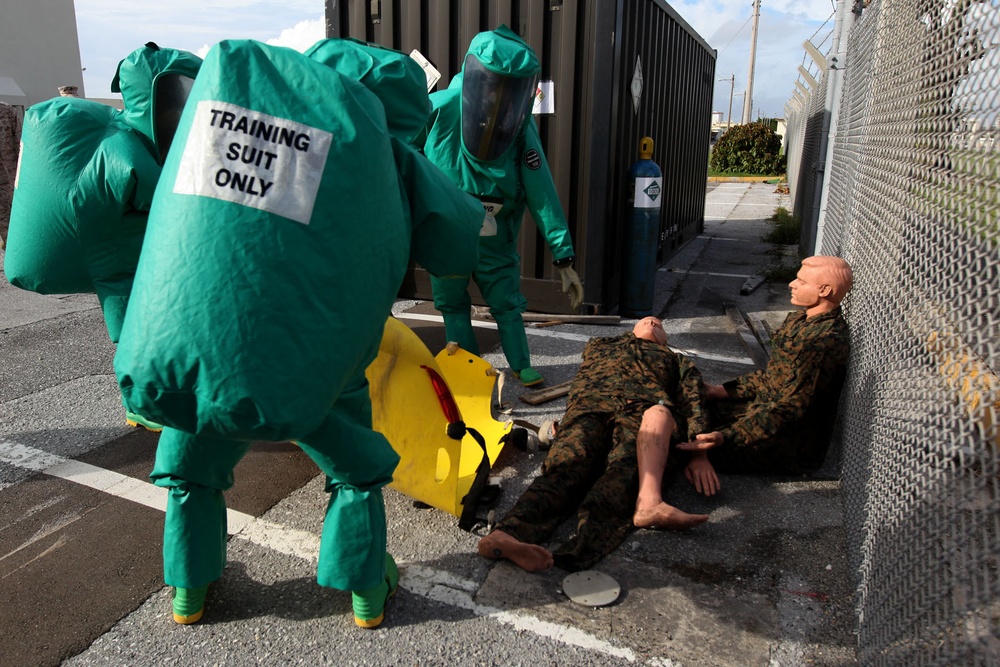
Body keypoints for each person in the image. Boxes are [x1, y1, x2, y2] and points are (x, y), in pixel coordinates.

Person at [113, 39, 483, 628]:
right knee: (355, 465)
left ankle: (190, 585)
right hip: (318, 360)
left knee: (192, 445)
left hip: (204, 329)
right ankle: (365, 589)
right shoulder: (386, 155)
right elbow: (458, 244)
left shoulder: (238, 116)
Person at [4, 42, 201, 433]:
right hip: (116, 259)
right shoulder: (123, 146)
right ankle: (145, 406)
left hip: (125, 252)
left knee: (150, 329)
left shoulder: (133, 141)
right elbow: (152, 192)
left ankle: (156, 399)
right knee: (136, 332)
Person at [477, 317, 711, 573]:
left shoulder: (678, 361)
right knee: (567, 466)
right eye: (647, 320)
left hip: (642, 412)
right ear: (631, 330)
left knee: (624, 472)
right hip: (589, 407)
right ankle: (505, 534)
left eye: (658, 325)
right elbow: (582, 378)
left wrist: (699, 452)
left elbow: (693, 401)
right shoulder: (601, 343)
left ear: (666, 340)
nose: (653, 322)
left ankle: (576, 553)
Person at [419, 25, 583, 388]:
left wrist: (564, 256)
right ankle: (472, 369)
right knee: (451, 302)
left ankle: (520, 365)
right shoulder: (441, 107)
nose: (498, 101)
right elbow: (402, 150)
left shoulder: (521, 127)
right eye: (494, 86)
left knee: (506, 303)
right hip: (448, 230)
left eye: (510, 91)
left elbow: (542, 190)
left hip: (493, 233)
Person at [678, 255, 854, 495]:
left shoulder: (822, 341)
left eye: (801, 282)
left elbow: (789, 411)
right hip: (766, 408)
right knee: (689, 406)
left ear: (824, 290)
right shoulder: (801, 319)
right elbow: (773, 375)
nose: (792, 284)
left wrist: (724, 438)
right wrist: (722, 391)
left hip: (791, 445)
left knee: (678, 443)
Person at [0, 100, 21, 249]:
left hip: (8, 176)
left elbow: (21, 142)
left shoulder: (7, 110)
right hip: (9, 175)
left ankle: (12, 248)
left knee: (10, 213)